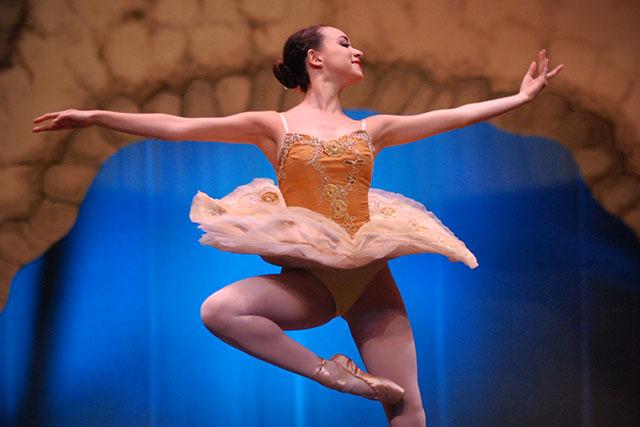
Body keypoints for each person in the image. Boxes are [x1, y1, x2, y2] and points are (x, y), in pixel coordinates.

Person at [32, 24, 563, 426]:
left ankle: (370, 386)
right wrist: (97, 116)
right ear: (315, 58)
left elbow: (454, 115)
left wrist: (520, 98)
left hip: (369, 278)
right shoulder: (274, 126)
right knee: (219, 310)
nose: (358, 51)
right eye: (345, 43)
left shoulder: (372, 128)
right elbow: (178, 126)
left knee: (409, 410)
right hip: (315, 282)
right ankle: (330, 373)